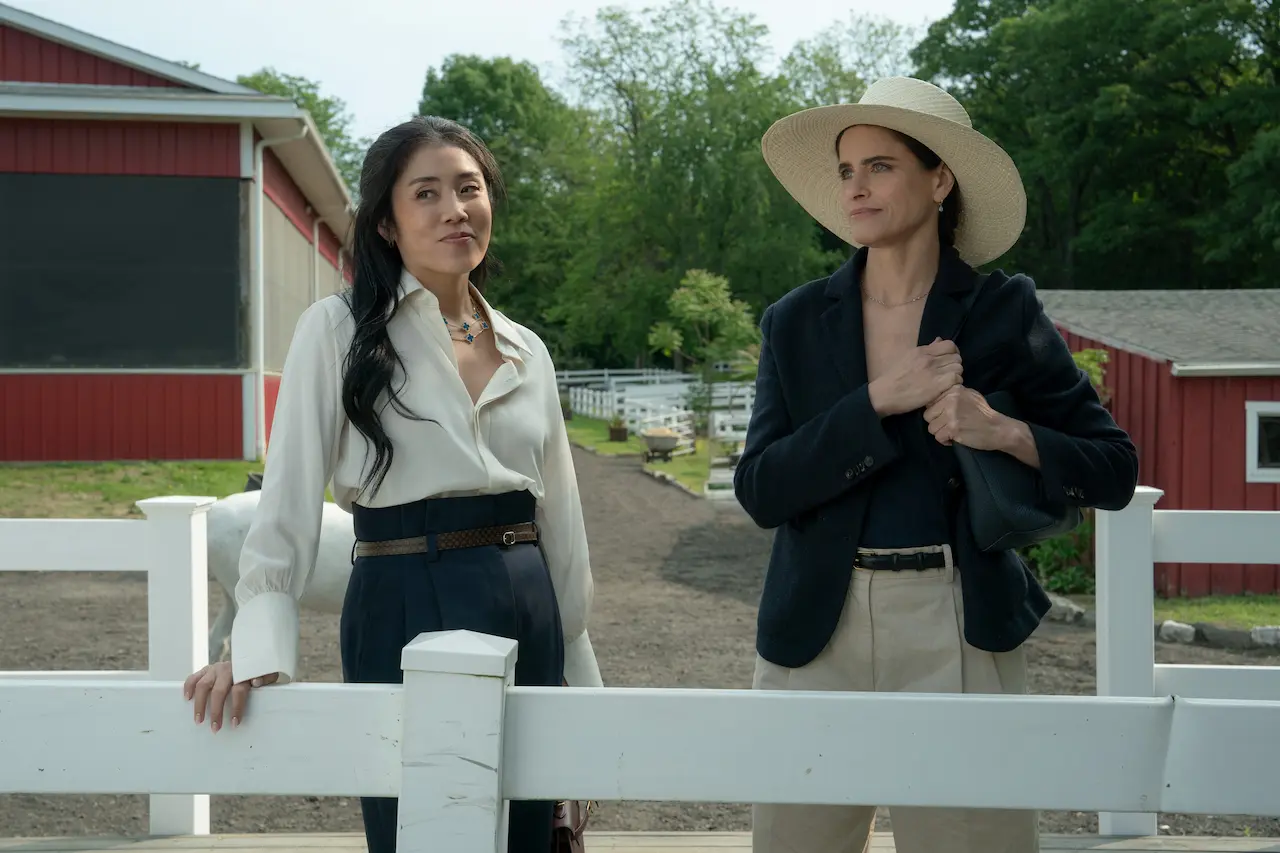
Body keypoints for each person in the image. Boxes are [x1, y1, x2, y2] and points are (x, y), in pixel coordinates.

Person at [734, 77, 1139, 853]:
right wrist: (878, 400)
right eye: (847, 170)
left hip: (959, 622)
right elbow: (760, 489)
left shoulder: (1003, 311)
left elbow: (1113, 468)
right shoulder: (793, 321)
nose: (856, 186)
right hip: (816, 626)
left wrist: (1002, 430)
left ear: (940, 179)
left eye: (880, 166)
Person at [182, 115, 604, 853]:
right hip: (401, 593)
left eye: (469, 189)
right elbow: (286, 504)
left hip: (526, 594)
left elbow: (561, 526)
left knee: (528, 830)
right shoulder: (337, 330)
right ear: (386, 221)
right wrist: (253, 650)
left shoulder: (527, 350)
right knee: (415, 825)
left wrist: (582, 688)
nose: (455, 210)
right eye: (426, 193)